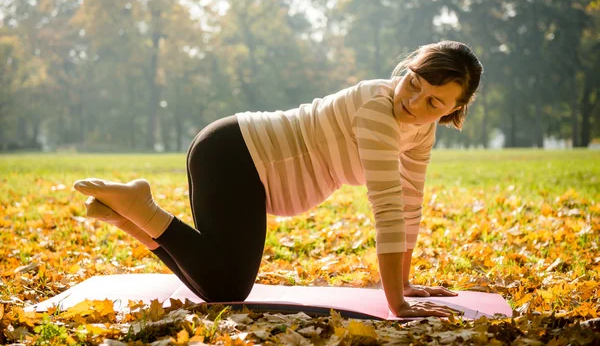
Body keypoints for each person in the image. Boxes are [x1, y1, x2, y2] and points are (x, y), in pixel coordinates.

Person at [73, 40, 482, 318]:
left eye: (434, 101)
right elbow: (387, 208)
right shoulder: (378, 110)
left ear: (454, 110)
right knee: (226, 287)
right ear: (406, 70)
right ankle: (141, 207)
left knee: (219, 283)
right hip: (237, 154)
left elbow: (410, 200)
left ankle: (130, 214)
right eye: (413, 82)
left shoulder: (422, 129)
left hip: (246, 162)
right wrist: (397, 305)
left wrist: (405, 285)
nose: (413, 101)